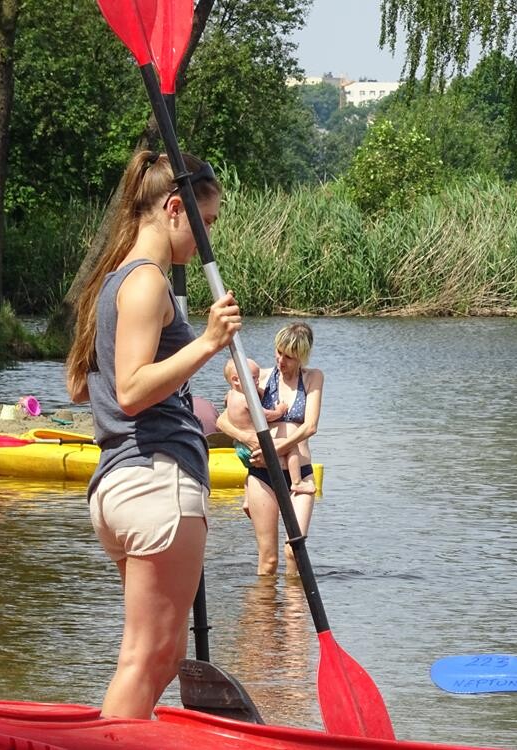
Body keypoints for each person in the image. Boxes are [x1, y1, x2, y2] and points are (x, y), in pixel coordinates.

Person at [64, 150, 240, 719]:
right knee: (146, 658)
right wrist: (206, 343)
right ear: (173, 208)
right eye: (205, 222)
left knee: (161, 658)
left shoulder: (112, 283)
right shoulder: (145, 284)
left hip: (125, 483)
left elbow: (82, 388)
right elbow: (134, 389)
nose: (207, 240)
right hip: (155, 482)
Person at [217, 322, 324, 576]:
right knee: (269, 560)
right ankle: (263, 615)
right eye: (278, 352)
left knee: (294, 551)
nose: (281, 360)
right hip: (262, 474)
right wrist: (250, 440)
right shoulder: (260, 377)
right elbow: (222, 420)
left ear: (301, 356)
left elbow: (309, 427)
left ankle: (294, 614)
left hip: (299, 472)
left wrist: (276, 449)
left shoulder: (313, 378)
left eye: (289, 356)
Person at [222, 358, 312, 497]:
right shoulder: (247, 399)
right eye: (253, 379)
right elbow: (266, 415)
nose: (258, 382)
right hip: (255, 444)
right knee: (292, 446)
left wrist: (259, 391)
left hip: (240, 447)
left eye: (258, 378)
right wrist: (280, 411)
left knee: (254, 471)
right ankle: (297, 482)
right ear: (236, 380)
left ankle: (247, 497)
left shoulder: (231, 395)